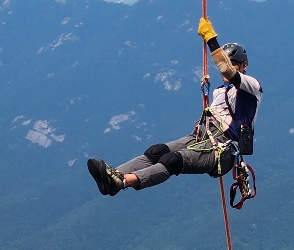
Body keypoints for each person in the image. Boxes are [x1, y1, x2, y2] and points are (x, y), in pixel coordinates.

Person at [87, 15, 262, 195]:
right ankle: (113, 176)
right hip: (201, 137)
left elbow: (226, 70)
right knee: (157, 152)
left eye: (234, 64)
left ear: (244, 65)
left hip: (221, 150)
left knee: (173, 161)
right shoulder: (220, 91)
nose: (229, 68)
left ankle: (121, 182)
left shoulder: (252, 87)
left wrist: (211, 39)